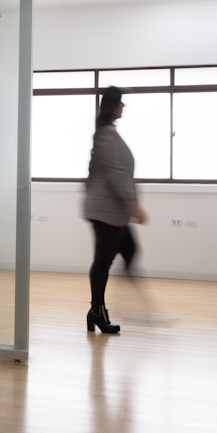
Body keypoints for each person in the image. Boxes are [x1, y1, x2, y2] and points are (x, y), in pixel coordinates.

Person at [83, 86, 147, 333]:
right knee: (103, 262)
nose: (124, 106)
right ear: (112, 106)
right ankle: (98, 312)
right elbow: (116, 174)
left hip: (111, 210)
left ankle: (98, 310)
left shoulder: (105, 134)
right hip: (106, 211)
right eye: (121, 103)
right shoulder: (106, 135)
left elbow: (97, 168)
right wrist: (134, 204)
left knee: (126, 250)